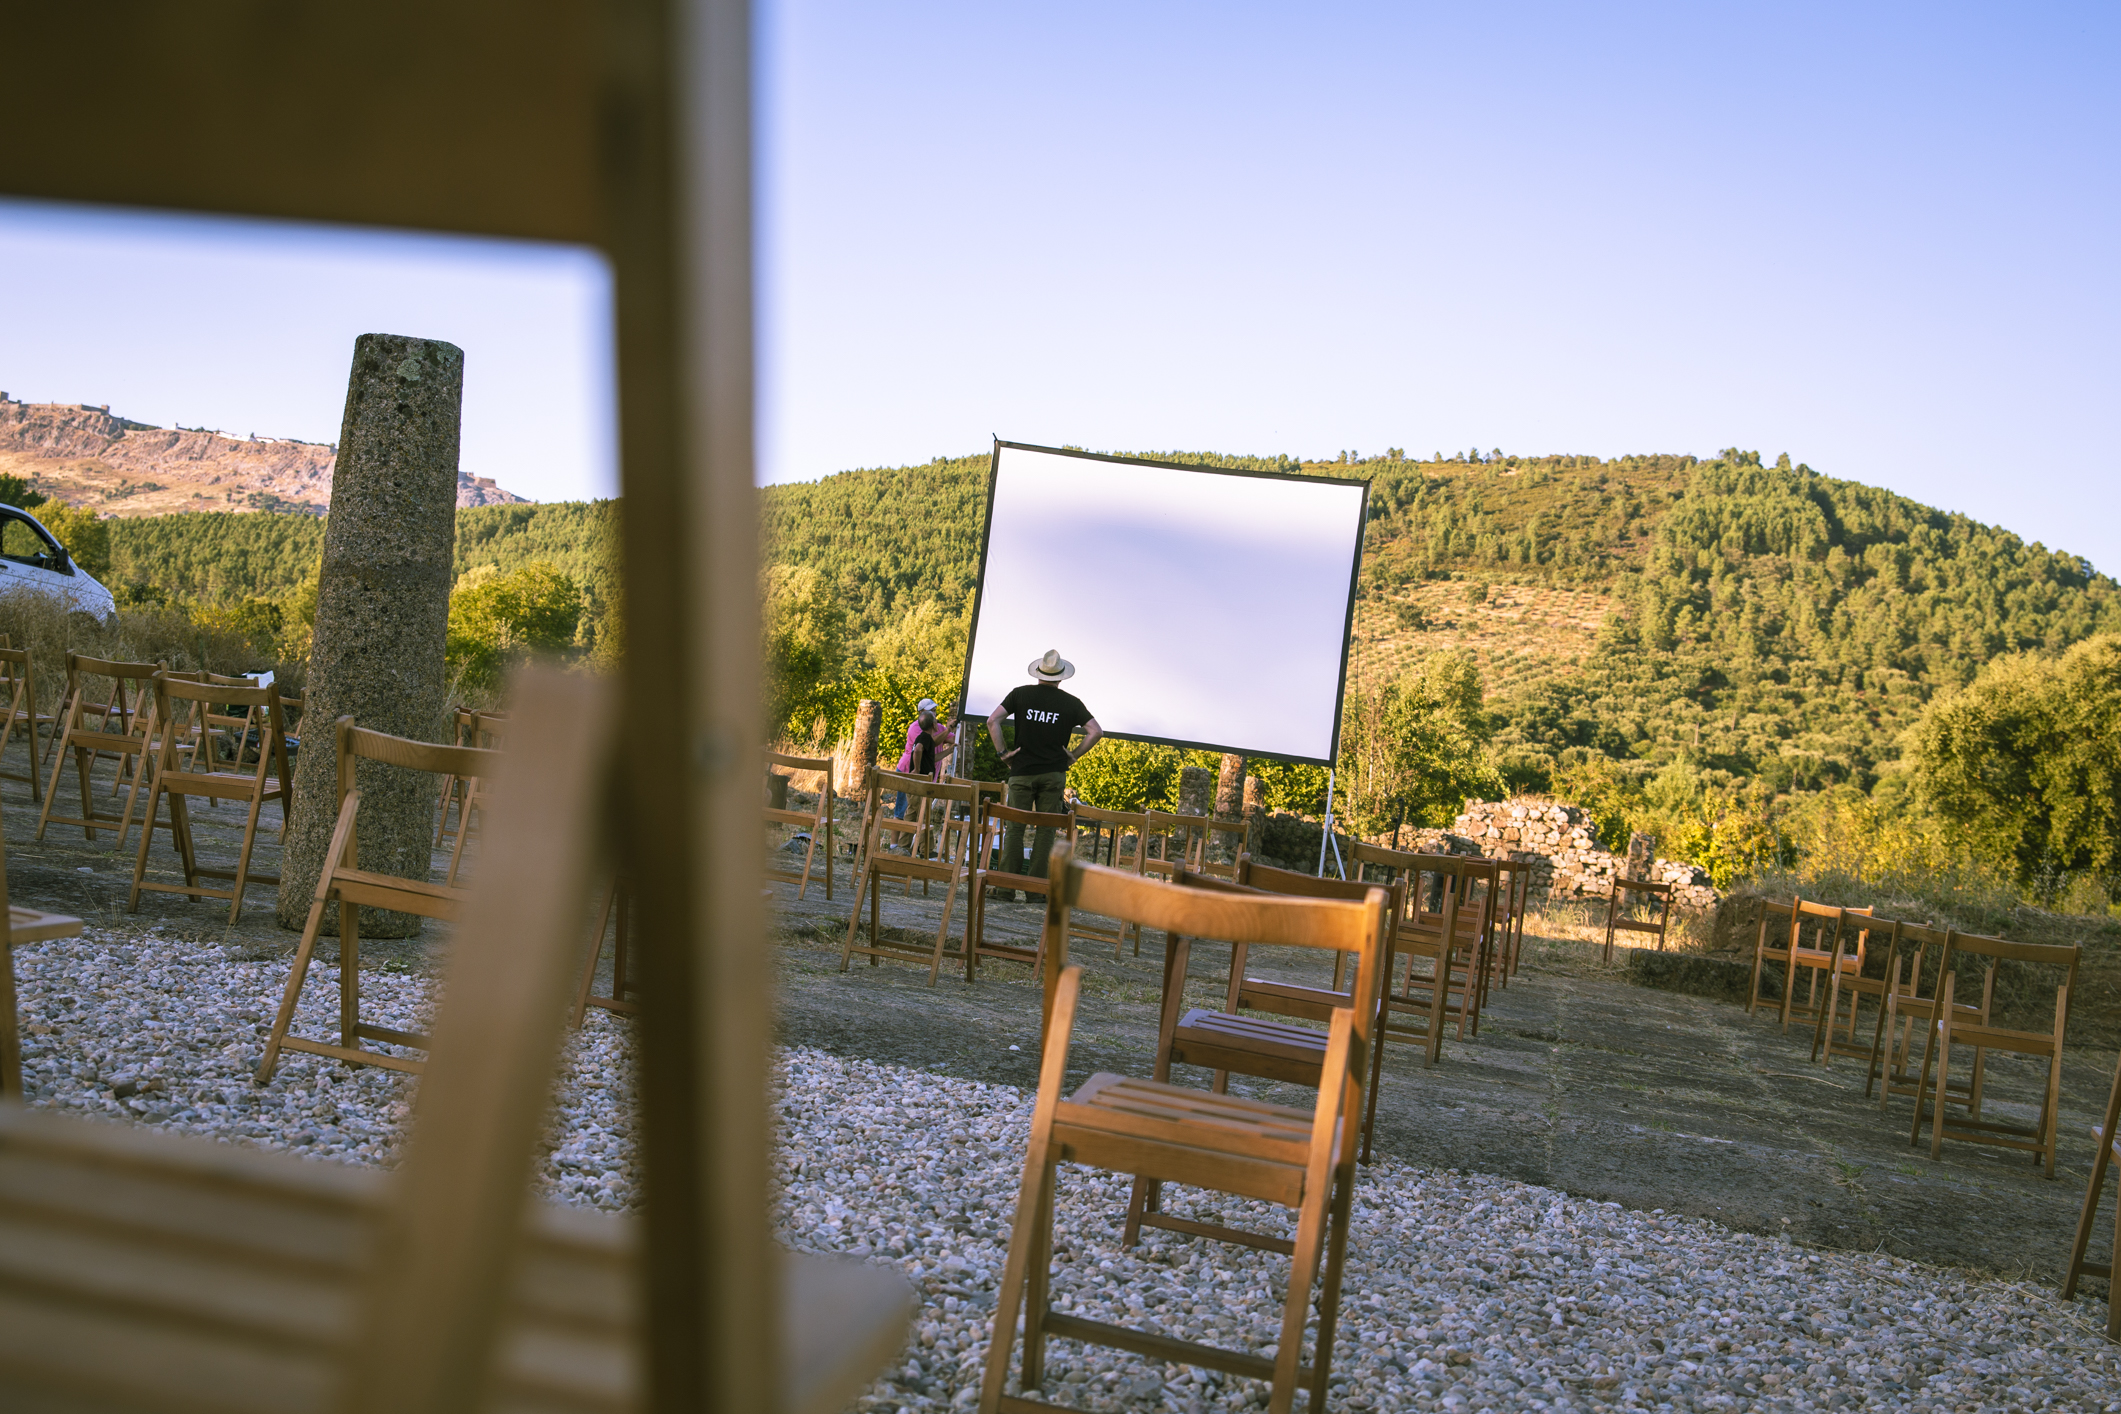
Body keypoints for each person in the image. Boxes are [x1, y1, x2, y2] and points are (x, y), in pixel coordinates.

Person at [986, 649, 1102, 888]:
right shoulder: (1072, 703)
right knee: (1046, 831)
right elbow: (1096, 732)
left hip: (1021, 771)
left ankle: (1006, 888)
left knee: (1015, 829)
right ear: (1061, 677)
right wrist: (1073, 756)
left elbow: (992, 721)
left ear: (1038, 673)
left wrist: (1003, 754)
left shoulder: (1020, 695)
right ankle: (1037, 891)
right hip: (1054, 774)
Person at [892, 698, 956, 819]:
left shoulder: (938, 727)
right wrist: (947, 730)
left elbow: (949, 742)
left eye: (934, 710)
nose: (934, 713)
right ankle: (900, 838)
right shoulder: (916, 728)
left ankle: (910, 837)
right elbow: (926, 746)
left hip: (925, 776)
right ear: (922, 712)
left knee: (914, 815)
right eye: (930, 711)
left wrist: (955, 733)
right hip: (909, 772)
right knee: (901, 814)